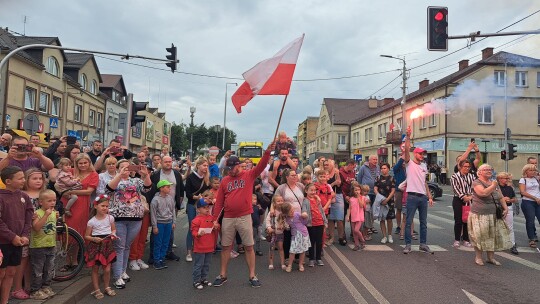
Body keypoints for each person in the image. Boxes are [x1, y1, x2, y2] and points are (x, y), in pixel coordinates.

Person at [211, 141, 274, 288]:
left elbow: (261, 166)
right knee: (226, 246)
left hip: (244, 216)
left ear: (238, 165)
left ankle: (252, 275)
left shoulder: (249, 175)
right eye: (228, 168)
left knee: (249, 246)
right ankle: (223, 274)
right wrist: (215, 220)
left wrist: (267, 153)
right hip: (228, 217)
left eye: (232, 168)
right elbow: (219, 202)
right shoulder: (225, 180)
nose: (230, 171)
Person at [107, 159, 151, 289]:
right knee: (119, 246)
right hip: (119, 218)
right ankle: (117, 277)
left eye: (128, 167)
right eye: (122, 167)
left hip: (136, 218)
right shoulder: (114, 180)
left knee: (126, 246)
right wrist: (119, 175)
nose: (126, 169)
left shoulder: (136, 181)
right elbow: (109, 189)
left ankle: (122, 271)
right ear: (118, 168)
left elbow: (147, 188)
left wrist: (145, 174)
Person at [0, 166, 34, 304]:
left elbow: (29, 215)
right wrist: (12, 236)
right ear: (8, 181)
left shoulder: (24, 196)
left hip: (18, 241)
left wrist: (25, 235)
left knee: (11, 273)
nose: (23, 180)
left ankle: (5, 301)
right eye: (20, 178)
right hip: (3, 242)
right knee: (1, 273)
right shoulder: (1, 197)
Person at [11, 169, 46, 300]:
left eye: (40, 178)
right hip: (26, 231)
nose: (38, 181)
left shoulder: (44, 193)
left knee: (35, 259)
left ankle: (30, 285)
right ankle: (17, 287)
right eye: (34, 178)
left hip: (42, 231)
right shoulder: (22, 194)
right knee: (23, 258)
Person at [468, 164, 512, 266]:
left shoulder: (493, 182)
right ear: (479, 172)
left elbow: (500, 196)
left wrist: (505, 208)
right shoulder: (477, 182)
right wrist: (493, 186)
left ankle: (490, 258)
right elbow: (483, 193)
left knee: (493, 236)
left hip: (493, 214)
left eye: (490, 169)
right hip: (480, 214)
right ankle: (478, 257)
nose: (489, 171)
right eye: (486, 169)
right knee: (480, 236)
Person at [402, 128, 434, 255]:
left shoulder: (423, 166)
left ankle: (423, 244)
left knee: (424, 222)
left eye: (423, 154)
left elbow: (424, 182)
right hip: (412, 197)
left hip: (422, 198)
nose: (422, 156)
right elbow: (406, 151)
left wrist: (429, 196)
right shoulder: (409, 163)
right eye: (420, 154)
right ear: (415, 154)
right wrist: (408, 136)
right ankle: (408, 245)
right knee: (409, 222)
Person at [84, 194, 118, 299]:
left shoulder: (110, 218)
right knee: (95, 269)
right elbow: (86, 236)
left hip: (107, 245)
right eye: (102, 206)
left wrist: (113, 234)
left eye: (107, 206)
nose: (105, 208)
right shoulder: (92, 221)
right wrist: (94, 239)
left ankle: (107, 287)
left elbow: (113, 229)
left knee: (107, 269)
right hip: (96, 246)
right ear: (95, 206)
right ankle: (97, 289)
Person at [28, 189, 57, 300]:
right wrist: (45, 215)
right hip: (38, 246)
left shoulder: (54, 212)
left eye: (54, 200)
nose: (52, 203)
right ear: (41, 202)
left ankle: (46, 286)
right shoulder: (37, 213)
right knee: (38, 270)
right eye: (49, 201)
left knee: (49, 268)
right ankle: (35, 290)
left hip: (51, 244)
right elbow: (36, 227)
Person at [185, 157, 211, 262]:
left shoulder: (207, 177)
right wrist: (197, 197)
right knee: (192, 227)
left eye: (207, 166)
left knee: (203, 227)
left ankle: (199, 248)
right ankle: (189, 252)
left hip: (203, 206)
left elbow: (208, 191)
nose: (206, 167)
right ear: (198, 166)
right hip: (192, 205)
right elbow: (188, 194)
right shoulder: (191, 177)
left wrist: (206, 197)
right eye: (204, 165)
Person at [275, 169, 305, 260]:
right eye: (292, 175)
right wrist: (275, 211)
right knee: (288, 237)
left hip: (299, 216)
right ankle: (287, 256)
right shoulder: (281, 188)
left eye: (295, 175)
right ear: (287, 177)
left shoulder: (300, 186)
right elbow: (275, 200)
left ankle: (296, 256)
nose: (295, 176)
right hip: (287, 216)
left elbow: (307, 198)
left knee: (297, 236)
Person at [150, 180, 176, 270]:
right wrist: (154, 226)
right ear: (161, 188)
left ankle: (162, 258)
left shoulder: (170, 198)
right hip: (160, 223)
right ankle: (156, 260)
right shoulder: (155, 200)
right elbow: (153, 214)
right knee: (158, 242)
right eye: (167, 187)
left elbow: (173, 210)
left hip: (168, 222)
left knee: (166, 242)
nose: (169, 188)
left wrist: (174, 222)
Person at [191, 199, 216, 289]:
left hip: (209, 246)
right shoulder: (196, 220)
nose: (207, 209)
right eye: (204, 207)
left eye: (208, 207)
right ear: (198, 209)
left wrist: (217, 226)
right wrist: (198, 234)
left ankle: (204, 278)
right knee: (199, 264)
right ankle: (196, 280)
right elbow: (193, 232)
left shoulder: (211, 218)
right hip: (200, 247)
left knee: (207, 264)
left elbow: (216, 228)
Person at [450, 159, 475, 248]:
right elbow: (455, 188)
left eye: (468, 167)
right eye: (465, 166)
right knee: (458, 220)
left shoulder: (472, 176)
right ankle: (457, 240)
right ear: (460, 167)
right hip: (458, 199)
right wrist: (463, 197)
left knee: (467, 220)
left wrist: (470, 197)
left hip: (469, 199)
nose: (467, 168)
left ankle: (466, 239)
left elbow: (474, 187)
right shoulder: (454, 176)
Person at [302, 183, 327, 267]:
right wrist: (304, 213)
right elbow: (304, 209)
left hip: (320, 222)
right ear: (306, 191)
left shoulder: (317, 200)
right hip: (311, 224)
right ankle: (311, 259)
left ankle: (318, 258)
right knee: (312, 242)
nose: (313, 192)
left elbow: (321, 211)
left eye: (314, 190)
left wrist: (325, 221)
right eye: (311, 190)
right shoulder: (305, 200)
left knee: (319, 241)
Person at [357, 155, 380, 235]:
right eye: (374, 159)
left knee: (373, 210)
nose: (375, 161)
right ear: (369, 160)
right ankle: (365, 227)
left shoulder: (377, 167)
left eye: (376, 159)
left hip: (375, 191)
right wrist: (361, 189)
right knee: (367, 210)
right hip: (366, 192)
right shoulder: (363, 167)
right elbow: (359, 178)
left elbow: (378, 177)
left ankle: (371, 226)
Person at [518, 164, 540, 248]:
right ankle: (532, 239)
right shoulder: (523, 180)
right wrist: (535, 198)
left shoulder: (536, 179)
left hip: (538, 202)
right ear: (526, 171)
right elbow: (523, 192)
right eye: (530, 170)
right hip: (528, 202)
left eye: (534, 170)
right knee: (530, 220)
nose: (533, 172)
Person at [285, 202, 310, 272]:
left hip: (303, 234)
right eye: (290, 212)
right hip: (295, 235)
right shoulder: (286, 218)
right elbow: (287, 227)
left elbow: (305, 222)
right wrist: (286, 227)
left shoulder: (297, 214)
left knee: (302, 250)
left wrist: (305, 217)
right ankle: (289, 265)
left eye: (292, 210)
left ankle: (300, 264)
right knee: (292, 250)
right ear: (286, 213)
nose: (292, 212)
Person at [374, 163, 396, 244]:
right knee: (382, 219)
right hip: (381, 200)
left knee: (389, 219)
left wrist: (387, 199)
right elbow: (375, 189)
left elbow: (393, 190)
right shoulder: (378, 178)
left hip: (389, 201)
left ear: (388, 169)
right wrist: (380, 198)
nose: (383, 170)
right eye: (382, 168)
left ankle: (390, 235)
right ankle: (384, 236)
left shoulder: (392, 178)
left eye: (385, 168)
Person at [497, 172, 519, 255]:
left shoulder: (509, 188)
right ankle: (499, 243)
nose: (507, 180)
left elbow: (515, 198)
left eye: (507, 178)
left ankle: (512, 244)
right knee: (498, 226)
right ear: (500, 179)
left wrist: (510, 200)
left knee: (510, 227)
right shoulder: (496, 188)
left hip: (509, 207)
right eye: (505, 178)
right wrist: (502, 199)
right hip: (499, 208)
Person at [265, 194, 286, 270]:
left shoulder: (284, 212)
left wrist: (284, 226)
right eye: (278, 201)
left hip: (280, 233)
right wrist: (269, 227)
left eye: (281, 201)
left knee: (281, 248)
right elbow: (267, 220)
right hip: (273, 233)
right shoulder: (272, 212)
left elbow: (286, 221)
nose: (280, 202)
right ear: (274, 203)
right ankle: (271, 263)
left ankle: (282, 263)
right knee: (271, 248)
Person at [346, 183, 367, 251]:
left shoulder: (363, 198)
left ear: (360, 190)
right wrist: (347, 216)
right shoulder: (351, 199)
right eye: (355, 190)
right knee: (354, 232)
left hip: (359, 217)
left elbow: (361, 206)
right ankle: (356, 244)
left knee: (356, 230)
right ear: (353, 191)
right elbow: (349, 208)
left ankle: (362, 240)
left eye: (358, 190)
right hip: (353, 217)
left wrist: (358, 197)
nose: (357, 191)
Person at [392, 154, 406, 236]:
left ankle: (408, 226)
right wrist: (401, 158)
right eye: (402, 161)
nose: (404, 162)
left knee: (408, 210)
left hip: (408, 191)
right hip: (399, 190)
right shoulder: (397, 168)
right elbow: (396, 167)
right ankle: (398, 226)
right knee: (399, 209)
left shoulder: (408, 168)